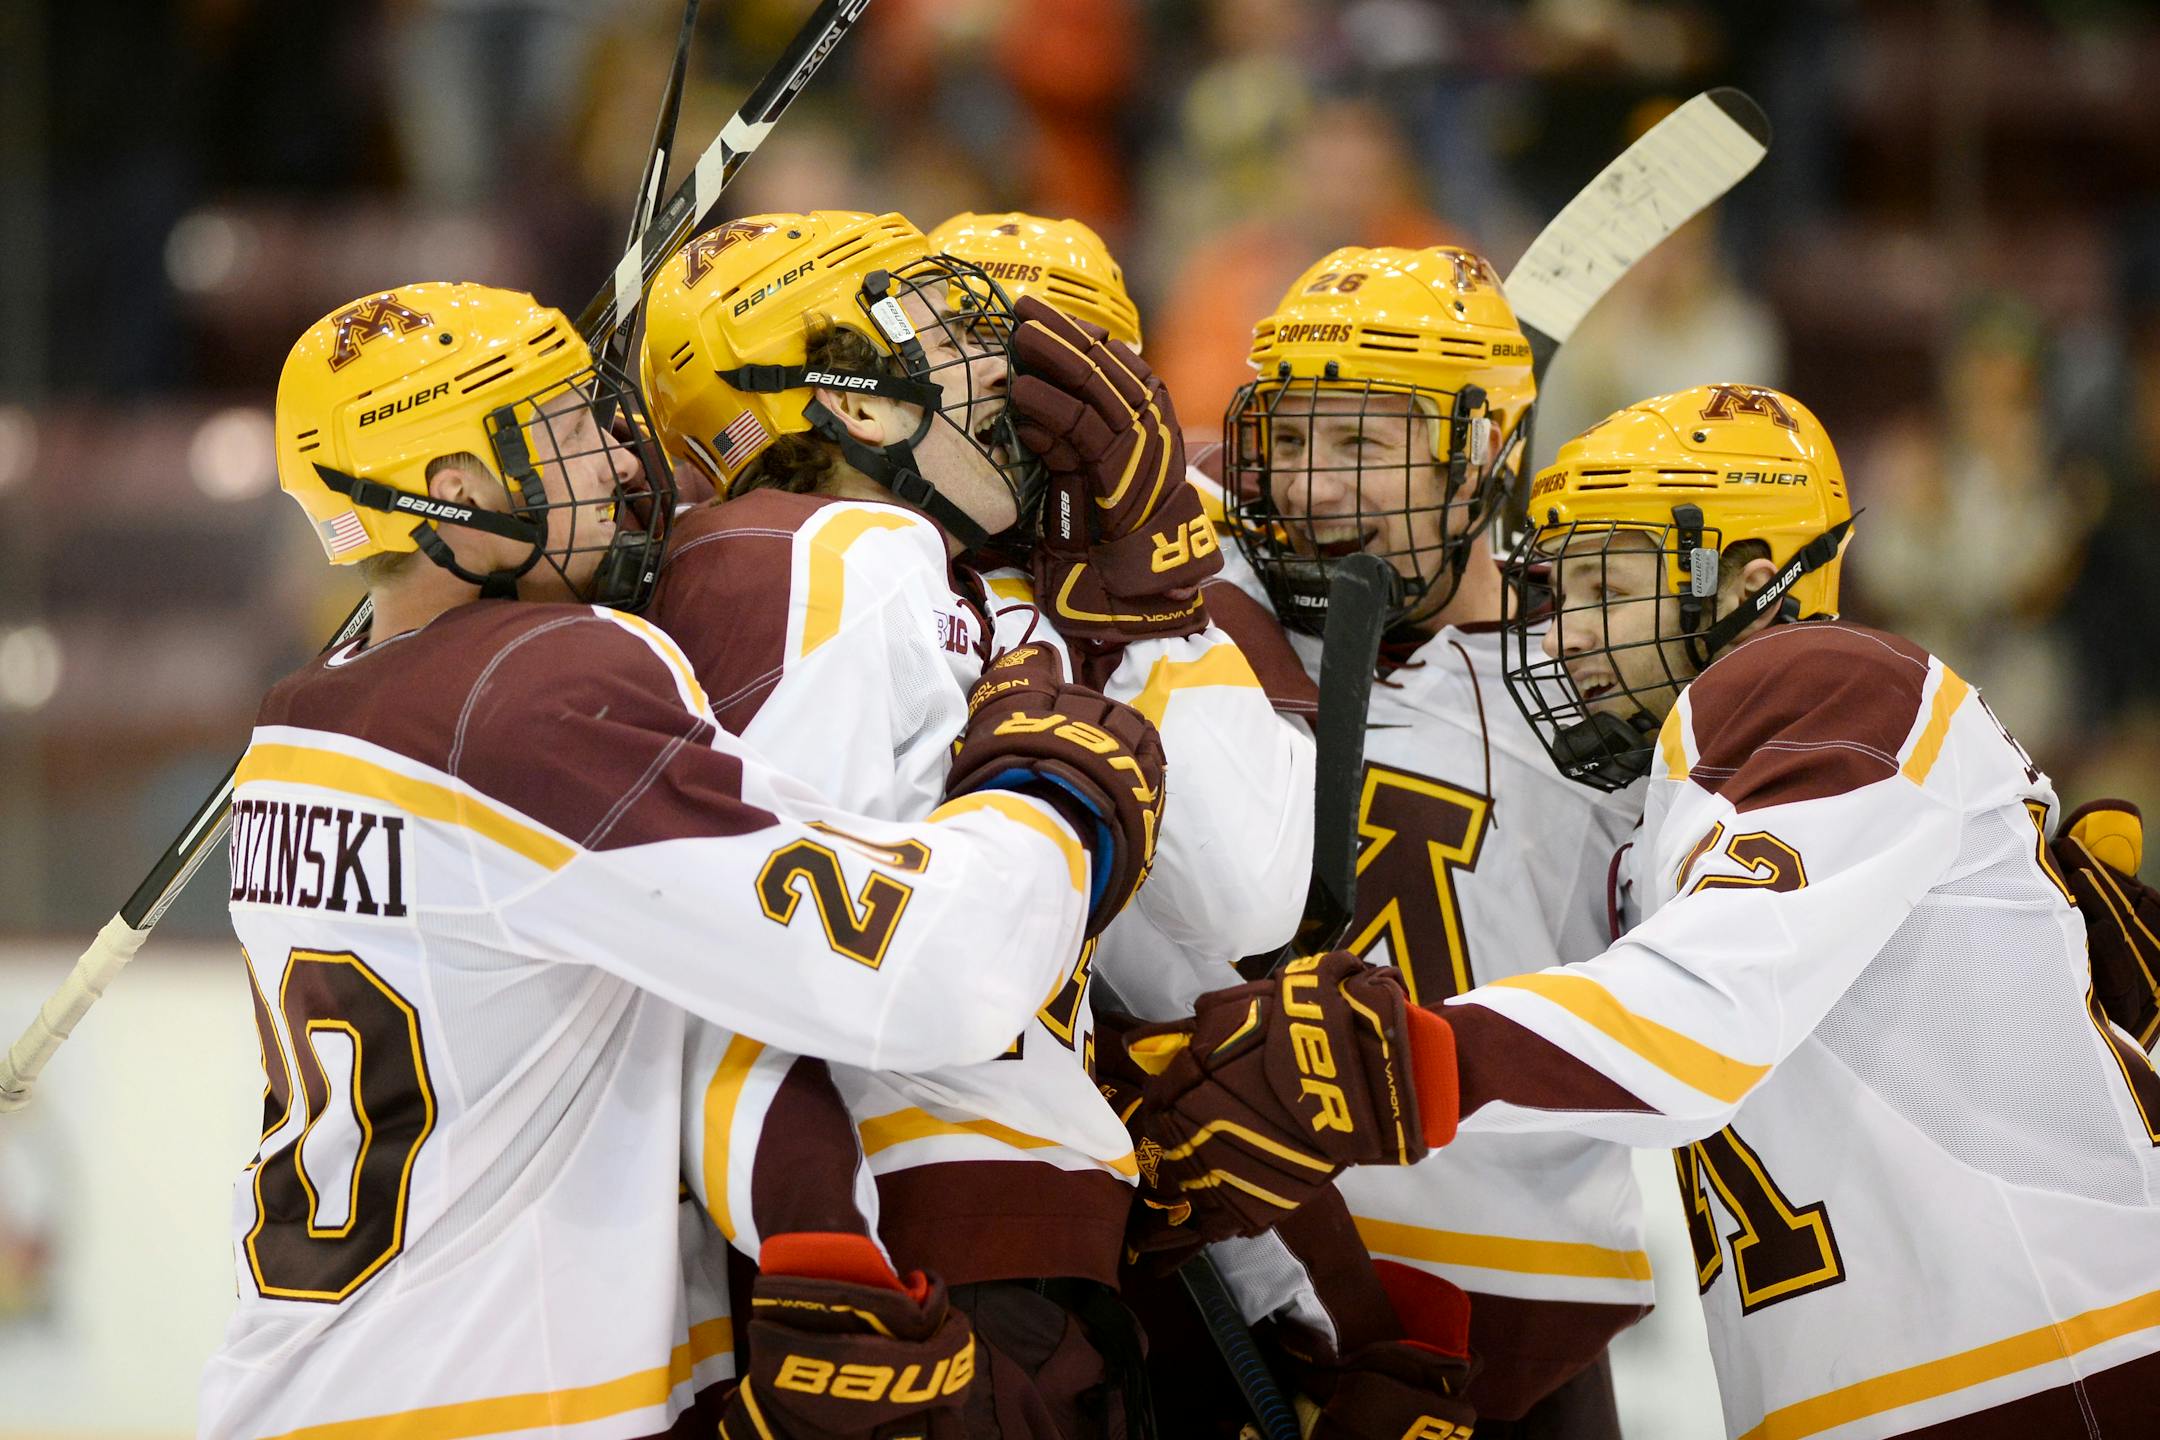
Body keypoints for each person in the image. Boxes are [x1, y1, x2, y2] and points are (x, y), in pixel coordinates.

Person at [202, 281, 1170, 1440]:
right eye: (559, 431)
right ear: (451, 494)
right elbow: (924, 973)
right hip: (497, 1407)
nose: (617, 457)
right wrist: (1051, 799)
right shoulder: (536, 693)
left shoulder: (295, 731)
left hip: (301, 1390)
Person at [636, 210, 1401, 1438]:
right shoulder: (809, 561)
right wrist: (826, 1259)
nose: (1011, 389)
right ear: (846, 399)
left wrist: (1327, 1304)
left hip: (1040, 1253)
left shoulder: (936, 577)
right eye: (951, 336)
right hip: (921, 1260)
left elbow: (1231, 920)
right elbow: (755, 966)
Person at [1423, 381, 2160, 1439]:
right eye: (1562, 590)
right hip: (1908, 1385)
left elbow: (1693, 1027)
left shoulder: (1815, 677)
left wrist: (1391, 1060)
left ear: (1751, 581)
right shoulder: (1672, 804)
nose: (1568, 634)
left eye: (1609, 588)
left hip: (2051, 1359)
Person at [1137, 243, 1647, 1439]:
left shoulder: (1591, 668)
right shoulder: (1209, 626)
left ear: (1484, 460)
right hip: (1251, 1297)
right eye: (1295, 441)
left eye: (1364, 446)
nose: (1313, 489)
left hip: (1531, 1322)